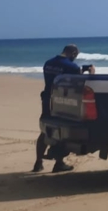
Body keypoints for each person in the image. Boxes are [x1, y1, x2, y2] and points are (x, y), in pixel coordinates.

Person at [33, 44, 93, 173]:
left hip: (47, 99)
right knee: (61, 130)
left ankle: (38, 162)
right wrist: (91, 74)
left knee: (45, 130)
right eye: (75, 56)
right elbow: (79, 82)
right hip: (62, 101)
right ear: (73, 53)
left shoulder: (48, 63)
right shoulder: (71, 66)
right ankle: (59, 163)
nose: (75, 58)